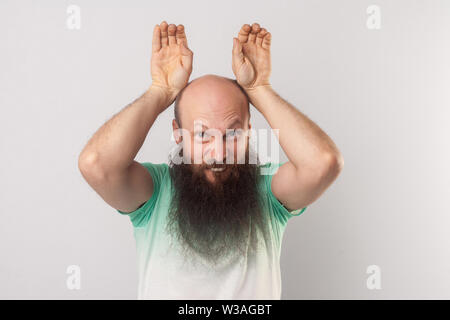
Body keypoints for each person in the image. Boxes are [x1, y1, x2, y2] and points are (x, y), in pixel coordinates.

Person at [78, 21, 344, 299]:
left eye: (232, 134)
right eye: (203, 135)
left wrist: (258, 88)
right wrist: (160, 91)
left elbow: (322, 163)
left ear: (249, 131)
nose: (218, 154)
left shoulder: (268, 191)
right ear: (178, 134)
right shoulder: (154, 193)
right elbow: (96, 163)